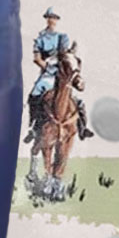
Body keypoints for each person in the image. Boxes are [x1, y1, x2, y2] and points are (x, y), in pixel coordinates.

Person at [25, 8, 91, 143]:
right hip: (48, 73)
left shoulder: (62, 37)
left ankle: (83, 128)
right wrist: (49, 68)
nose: (52, 20)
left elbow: (65, 55)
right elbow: (37, 59)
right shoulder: (40, 39)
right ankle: (33, 127)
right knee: (35, 94)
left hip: (62, 72)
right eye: (50, 17)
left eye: (54, 18)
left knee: (77, 100)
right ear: (47, 19)